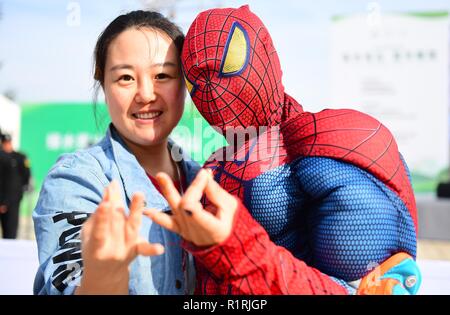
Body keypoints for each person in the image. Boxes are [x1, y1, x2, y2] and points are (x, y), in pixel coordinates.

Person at [146, 5, 422, 295]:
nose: (213, 91)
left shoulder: (321, 143)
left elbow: (364, 284)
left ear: (265, 55)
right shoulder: (213, 167)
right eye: (196, 81)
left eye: (226, 65)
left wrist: (239, 251)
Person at [32, 10, 201, 295]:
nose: (146, 94)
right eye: (125, 77)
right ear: (104, 85)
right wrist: (103, 279)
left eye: (162, 75)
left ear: (184, 84)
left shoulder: (205, 182)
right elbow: (67, 283)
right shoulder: (75, 180)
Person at [0, 133, 31, 239]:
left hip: (13, 200)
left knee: (11, 232)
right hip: (2, 198)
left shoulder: (20, 157)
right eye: (5, 143)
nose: (7, 145)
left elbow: (26, 175)